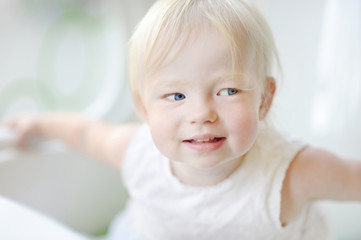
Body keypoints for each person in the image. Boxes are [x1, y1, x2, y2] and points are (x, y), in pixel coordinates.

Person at [3, 0, 361, 239]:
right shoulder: (138, 152)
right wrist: (39, 124)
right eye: (176, 96)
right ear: (144, 108)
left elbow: (351, 179)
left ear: (264, 100)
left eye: (228, 91)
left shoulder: (290, 176)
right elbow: (86, 133)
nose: (201, 114)